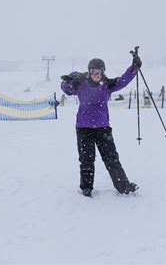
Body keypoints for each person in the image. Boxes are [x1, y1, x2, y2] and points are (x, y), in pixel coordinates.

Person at [60, 56, 142, 197]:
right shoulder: (80, 84)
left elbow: (123, 80)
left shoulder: (107, 85)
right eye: (94, 71)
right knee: (86, 160)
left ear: (103, 72)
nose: (96, 75)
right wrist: (70, 80)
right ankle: (86, 188)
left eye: (99, 72)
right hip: (84, 128)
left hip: (103, 128)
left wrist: (134, 68)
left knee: (111, 158)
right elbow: (65, 88)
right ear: (89, 71)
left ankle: (123, 186)